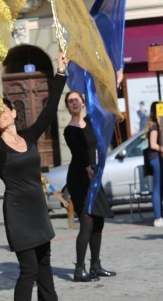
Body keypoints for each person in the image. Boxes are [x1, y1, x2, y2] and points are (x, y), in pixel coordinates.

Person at [0, 52, 68, 301]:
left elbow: (49, 110)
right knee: (30, 270)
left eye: (3, 110)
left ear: (14, 112)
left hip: (38, 209)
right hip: (18, 212)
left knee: (45, 267)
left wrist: (60, 72)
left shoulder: (29, 136)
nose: (0, 114)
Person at [63, 90, 115, 283]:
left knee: (98, 222)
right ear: (68, 107)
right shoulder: (69, 130)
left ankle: (95, 265)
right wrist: (87, 167)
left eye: (77, 99)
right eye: (70, 101)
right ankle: (79, 269)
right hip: (80, 177)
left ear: (83, 102)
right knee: (87, 223)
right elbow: (79, 153)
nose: (74, 103)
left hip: (93, 174)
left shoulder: (92, 123)